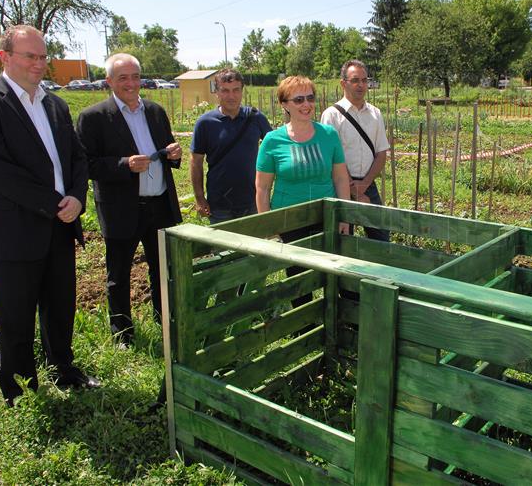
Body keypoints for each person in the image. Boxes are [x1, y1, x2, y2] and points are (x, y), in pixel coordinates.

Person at [0, 25, 99, 405]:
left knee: (60, 306)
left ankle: (64, 369)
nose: (39, 64)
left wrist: (76, 196)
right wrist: (56, 203)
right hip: (14, 228)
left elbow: (76, 157)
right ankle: (20, 390)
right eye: (30, 56)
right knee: (15, 314)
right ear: (5, 57)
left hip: (60, 223)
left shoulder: (55, 103)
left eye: (43, 57)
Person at [76, 53, 182, 347]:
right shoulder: (93, 118)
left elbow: (166, 150)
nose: (131, 83)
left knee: (163, 268)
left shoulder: (155, 111)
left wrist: (174, 154)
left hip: (160, 204)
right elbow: (86, 164)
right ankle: (122, 332)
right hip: (122, 208)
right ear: (108, 81)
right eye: (123, 78)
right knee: (119, 273)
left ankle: (166, 320)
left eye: (135, 76)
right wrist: (124, 165)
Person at [255, 75, 349, 306]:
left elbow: (340, 177)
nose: (306, 105)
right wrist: (269, 227)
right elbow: (262, 187)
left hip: (326, 217)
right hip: (290, 221)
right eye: (298, 100)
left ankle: (338, 324)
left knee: (337, 275)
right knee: (298, 281)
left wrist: (345, 216)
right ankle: (304, 330)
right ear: (284, 104)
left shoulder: (329, 135)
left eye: (310, 98)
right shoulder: (272, 140)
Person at [320, 59, 390, 241]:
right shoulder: (331, 115)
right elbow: (330, 158)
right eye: (355, 80)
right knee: (342, 240)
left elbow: (381, 153)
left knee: (381, 237)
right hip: (340, 185)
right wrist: (353, 189)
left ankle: (379, 270)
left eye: (365, 80)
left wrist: (364, 185)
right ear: (343, 83)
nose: (361, 85)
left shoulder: (375, 113)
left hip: (368, 185)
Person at [190, 68, 271, 223]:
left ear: (242, 91)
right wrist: (200, 198)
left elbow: (274, 148)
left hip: (252, 200)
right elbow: (196, 162)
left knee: (253, 246)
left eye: (236, 90)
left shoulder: (255, 118)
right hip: (219, 204)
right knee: (223, 247)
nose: (231, 96)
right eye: (225, 91)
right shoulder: (205, 123)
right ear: (217, 92)